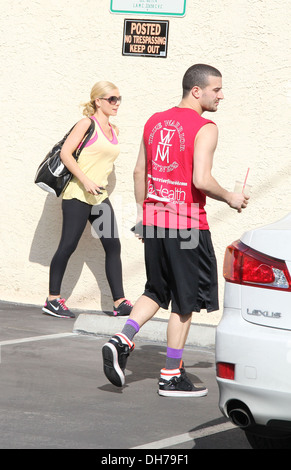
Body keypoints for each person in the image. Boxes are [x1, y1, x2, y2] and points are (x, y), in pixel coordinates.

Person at [102, 64, 249, 396]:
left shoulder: (154, 121)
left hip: (154, 220)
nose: (221, 95)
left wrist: (145, 215)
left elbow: (140, 172)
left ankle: (121, 339)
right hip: (187, 226)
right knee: (184, 300)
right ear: (197, 91)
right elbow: (200, 180)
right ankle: (171, 373)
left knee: (156, 290)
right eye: (217, 90)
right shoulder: (205, 127)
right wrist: (230, 197)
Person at [42, 81, 132, 319]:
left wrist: (97, 183)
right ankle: (52, 300)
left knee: (113, 245)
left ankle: (119, 302)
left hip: (99, 196)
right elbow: (65, 153)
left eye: (119, 98)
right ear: (98, 101)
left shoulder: (114, 130)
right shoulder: (86, 124)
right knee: (68, 245)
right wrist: (86, 180)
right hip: (77, 194)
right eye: (112, 99)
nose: (117, 103)